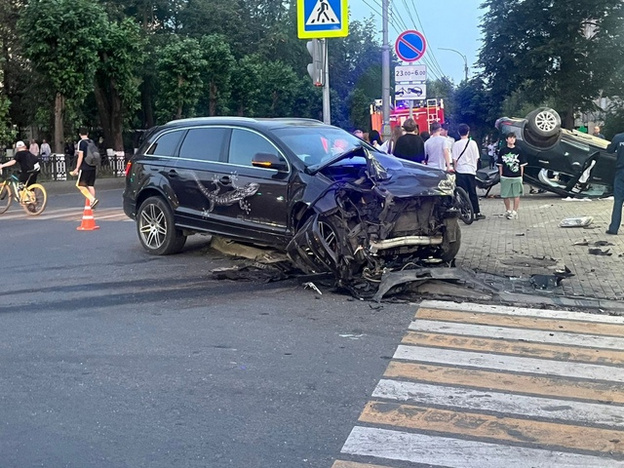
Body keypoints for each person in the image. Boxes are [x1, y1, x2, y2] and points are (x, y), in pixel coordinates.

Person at [452, 124, 485, 220]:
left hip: (460, 170)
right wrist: (474, 168)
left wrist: (455, 168)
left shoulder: (456, 144)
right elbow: (476, 158)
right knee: (472, 192)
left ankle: (465, 212)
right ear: (468, 132)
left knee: (463, 193)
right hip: (470, 170)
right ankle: (477, 212)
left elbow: (454, 159)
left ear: (459, 132)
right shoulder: (473, 143)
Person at [497, 132, 527, 220]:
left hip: (516, 176)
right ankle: (508, 210)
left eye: (513, 138)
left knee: (516, 194)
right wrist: (501, 175)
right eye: (510, 138)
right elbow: (500, 164)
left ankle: (515, 211)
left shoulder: (519, 150)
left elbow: (522, 164)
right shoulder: (502, 151)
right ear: (506, 139)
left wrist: (521, 176)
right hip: (506, 176)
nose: (512, 139)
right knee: (505, 195)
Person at [69, 127, 98, 209]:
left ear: (79, 134)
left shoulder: (81, 143)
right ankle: (93, 205)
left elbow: (80, 156)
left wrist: (77, 168)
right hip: (93, 166)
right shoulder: (91, 142)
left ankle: (92, 200)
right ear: (87, 133)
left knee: (80, 185)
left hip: (85, 167)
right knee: (90, 185)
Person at [605, 131, 624, 235]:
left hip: (621, 173)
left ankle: (613, 228)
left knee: (618, 201)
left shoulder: (618, 137)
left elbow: (610, 150)